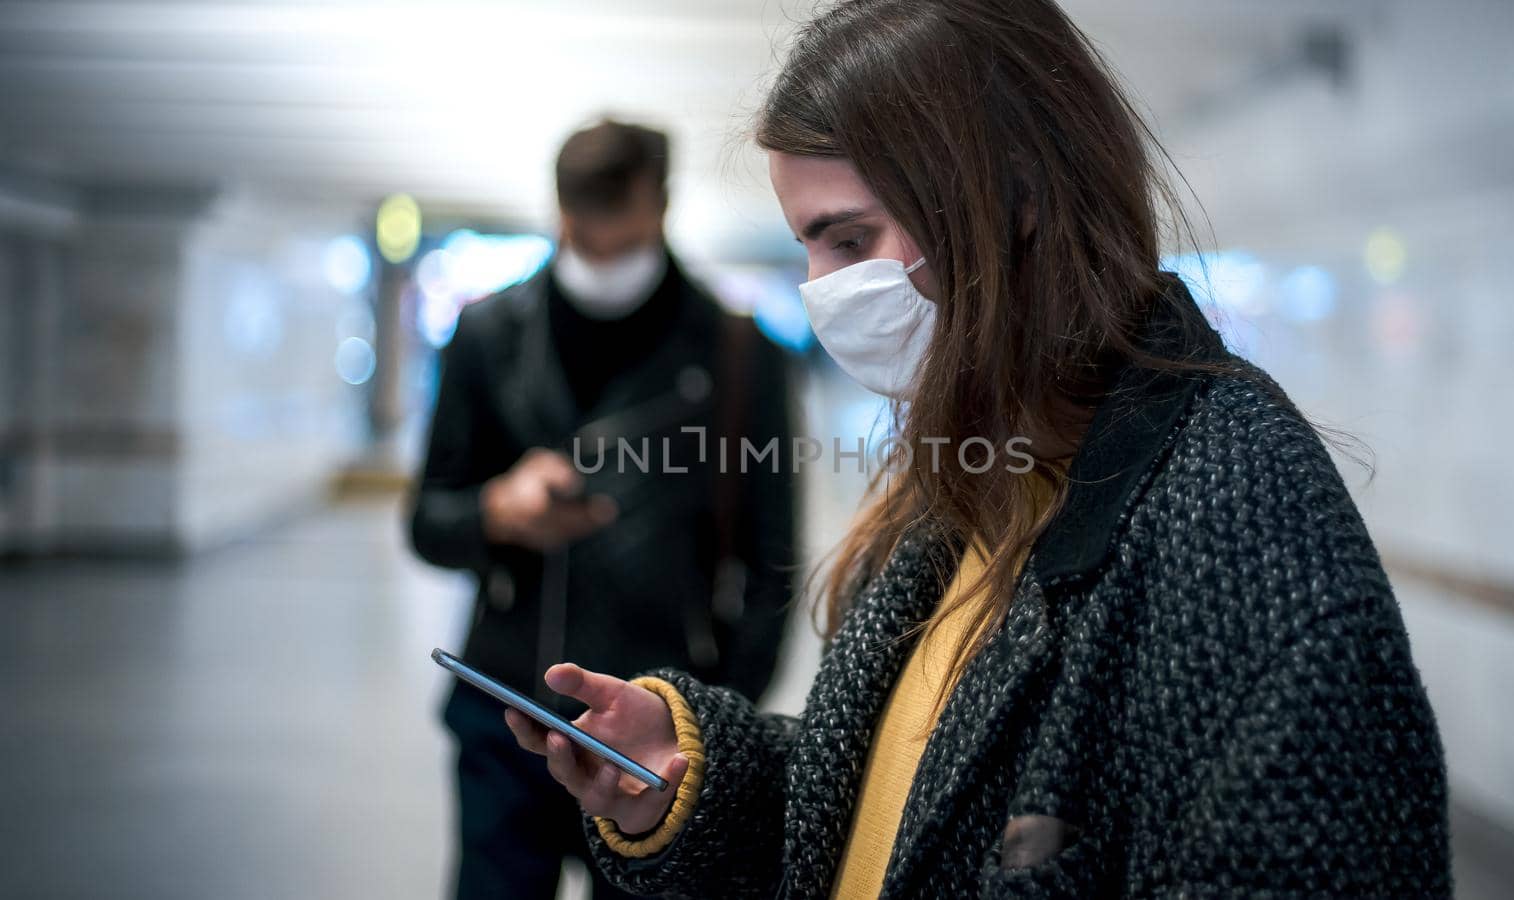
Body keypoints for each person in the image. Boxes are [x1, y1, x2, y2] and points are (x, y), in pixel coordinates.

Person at [504, 2, 1451, 897]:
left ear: (1013, 199)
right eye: (807, 248)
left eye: (849, 240)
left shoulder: (1242, 534)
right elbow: (900, 817)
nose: (820, 290)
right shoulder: (971, 472)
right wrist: (692, 779)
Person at [409, 119, 797, 900]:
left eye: (618, 234)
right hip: (505, 708)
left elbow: (774, 558)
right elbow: (427, 523)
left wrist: (716, 719)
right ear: (559, 214)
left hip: (657, 723)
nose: (602, 256)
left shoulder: (735, 352)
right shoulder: (489, 334)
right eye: (583, 234)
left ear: (660, 207)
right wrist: (496, 511)